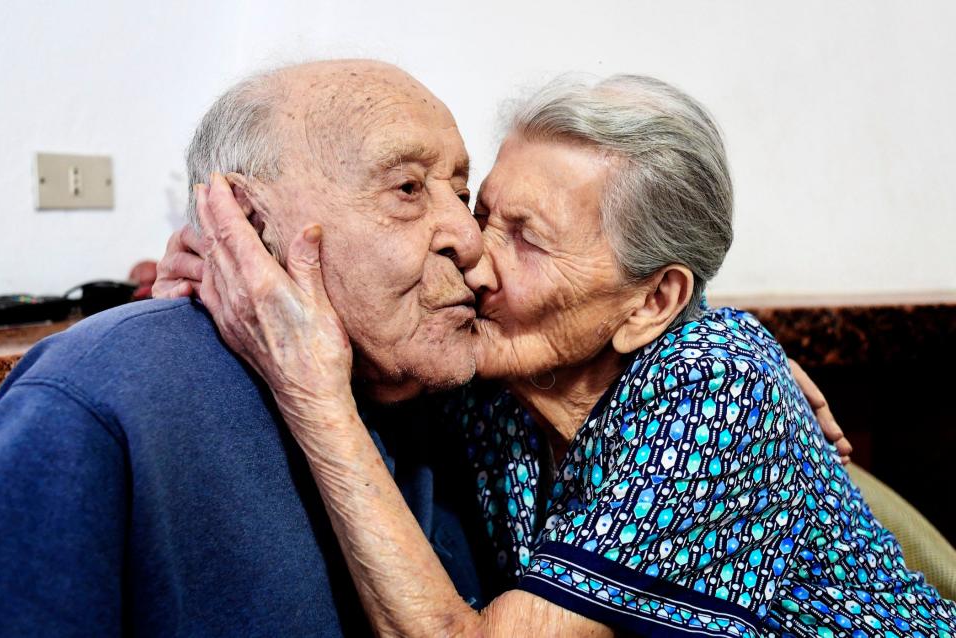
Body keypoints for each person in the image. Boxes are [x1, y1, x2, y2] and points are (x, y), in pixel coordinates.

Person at [162, 74, 956, 636]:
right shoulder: (499, 369)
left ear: (651, 304)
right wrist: (225, 250)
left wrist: (316, 395)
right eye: (483, 211)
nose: (472, 250)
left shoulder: (710, 389)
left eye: (527, 239)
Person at [0, 60, 497, 636]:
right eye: (406, 188)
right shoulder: (98, 395)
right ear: (247, 219)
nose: (468, 237)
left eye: (461, 194)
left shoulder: (441, 385)